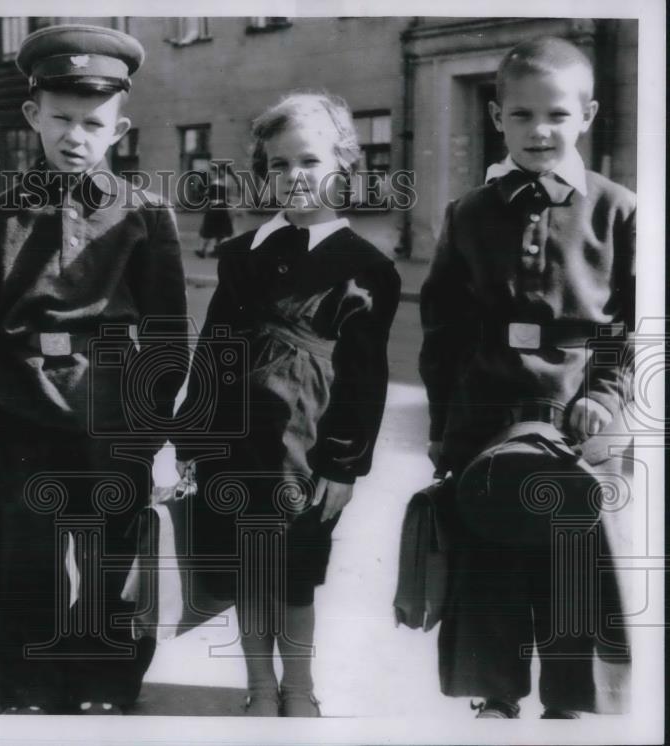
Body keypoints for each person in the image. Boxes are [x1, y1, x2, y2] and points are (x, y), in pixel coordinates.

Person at [0, 24, 188, 715]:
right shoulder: (0, 213)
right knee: (27, 556)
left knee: (110, 558)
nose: (75, 135)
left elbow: (167, 334)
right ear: (33, 115)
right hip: (24, 418)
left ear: (118, 127)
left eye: (93, 122)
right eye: (60, 118)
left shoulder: (145, 216)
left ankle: (105, 681)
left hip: (113, 419)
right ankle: (26, 683)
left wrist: (149, 433)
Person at [419, 37, 635, 719]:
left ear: (588, 115)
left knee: (575, 565)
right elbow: (444, 332)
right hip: (486, 413)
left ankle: (571, 708)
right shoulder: (470, 213)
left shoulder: (619, 211)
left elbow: (637, 323)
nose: (539, 130)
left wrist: (604, 393)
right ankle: (494, 698)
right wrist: (443, 428)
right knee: (487, 563)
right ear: (496, 116)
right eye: (521, 115)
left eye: (557, 115)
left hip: (579, 411)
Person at [176, 92, 401, 717]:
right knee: (248, 568)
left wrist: (343, 466)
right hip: (236, 440)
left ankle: (298, 687)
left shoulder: (365, 267)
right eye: (278, 164)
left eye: (309, 160)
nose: (294, 176)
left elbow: (365, 381)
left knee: (295, 572)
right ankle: (259, 686)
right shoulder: (241, 255)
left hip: (306, 445)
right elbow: (215, 348)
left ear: (344, 167)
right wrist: (193, 441)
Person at [196, 165, 237, 258]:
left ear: (216, 174)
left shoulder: (213, 185)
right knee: (220, 231)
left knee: (207, 230)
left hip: (214, 209)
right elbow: (227, 199)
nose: (211, 175)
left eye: (212, 173)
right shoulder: (223, 185)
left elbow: (205, 196)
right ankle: (217, 251)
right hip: (222, 209)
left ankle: (202, 250)